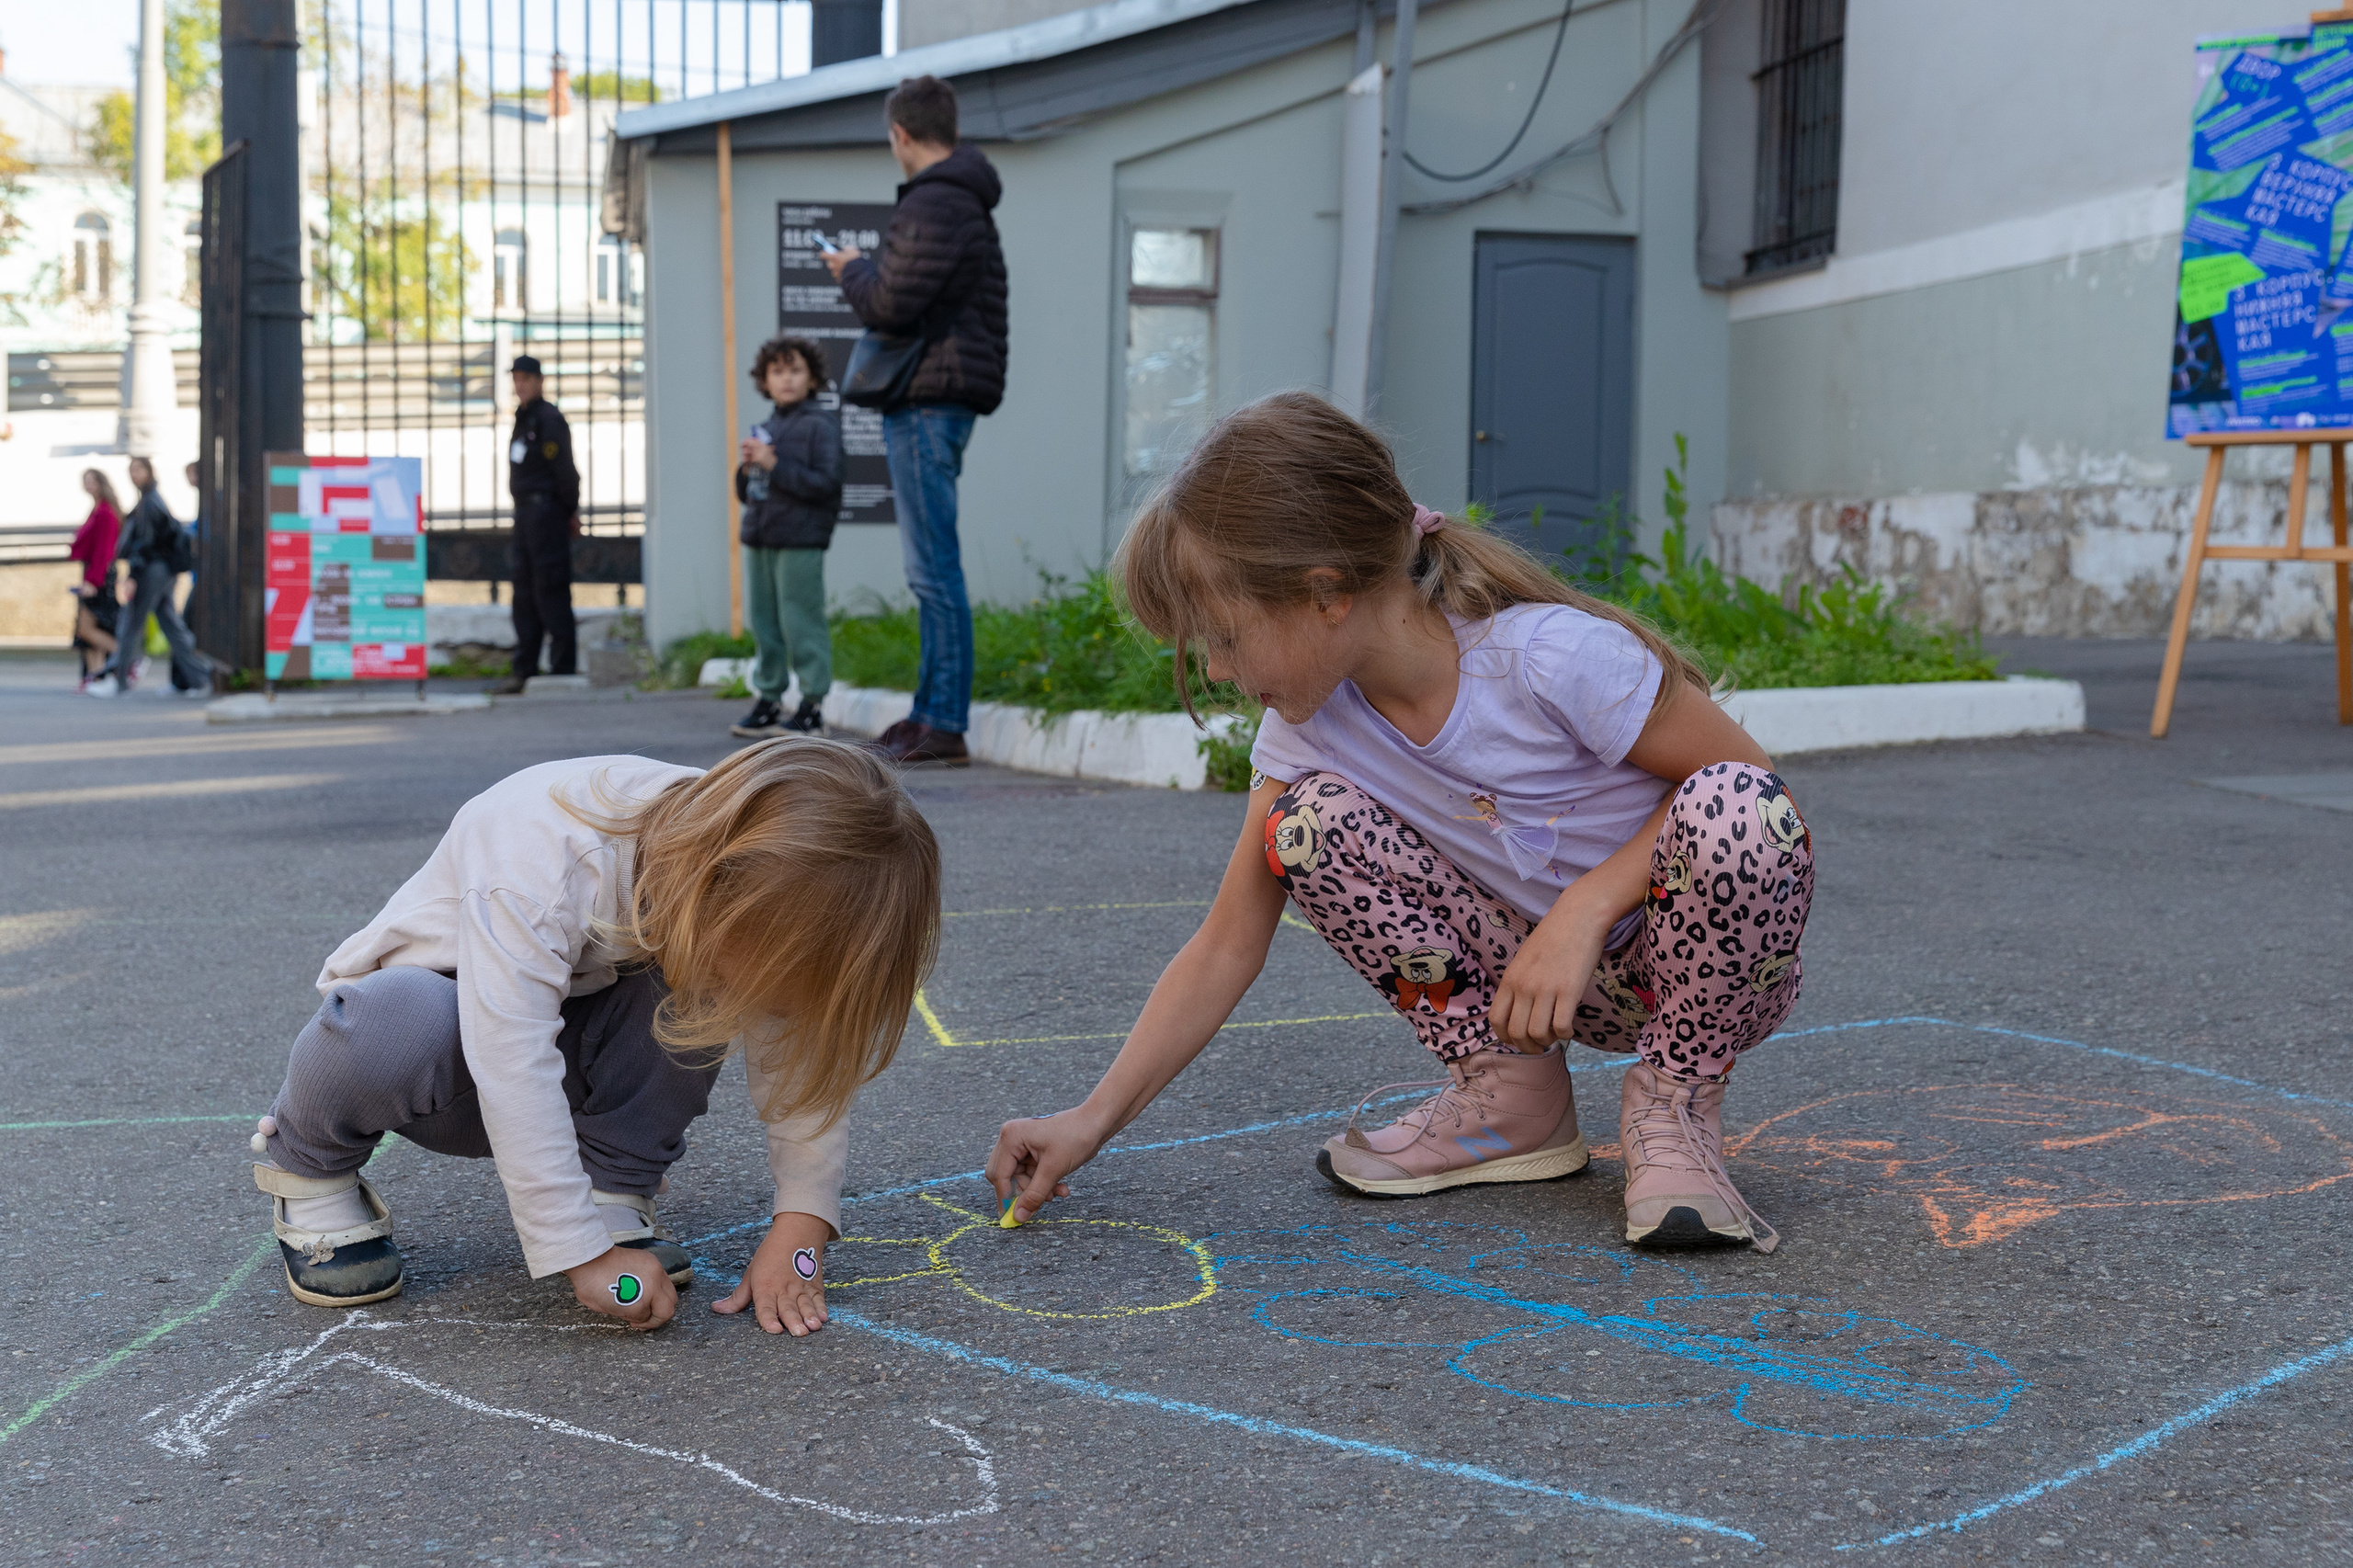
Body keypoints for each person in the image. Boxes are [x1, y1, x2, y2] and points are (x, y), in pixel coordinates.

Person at [985, 394, 1814, 1253]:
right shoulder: (1307, 732)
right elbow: (1228, 941)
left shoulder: (1549, 658)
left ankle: (1674, 1106)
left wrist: (1585, 909)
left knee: (1741, 813)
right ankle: (1513, 1097)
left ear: (1325, 593)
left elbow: (1753, 783)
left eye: (1224, 639)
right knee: (1306, 826)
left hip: (1690, 976)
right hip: (1522, 996)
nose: (1221, 671)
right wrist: (1089, 1119)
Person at [244, 737, 941, 1335]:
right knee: (402, 1017)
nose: (766, 1015)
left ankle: (613, 1187)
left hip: (562, 1042)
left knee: (698, 992)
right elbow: (509, 1056)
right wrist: (578, 1253)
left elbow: (802, 1054)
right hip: (435, 1054)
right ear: (715, 896)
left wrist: (802, 1226)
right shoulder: (544, 859)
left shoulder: (740, 864)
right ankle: (309, 1164)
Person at [824, 73, 1008, 767]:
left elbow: (890, 304)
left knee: (933, 569)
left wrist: (851, 269)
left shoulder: (935, 202)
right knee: (928, 566)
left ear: (901, 134)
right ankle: (929, 713)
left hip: (929, 398)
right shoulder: (961, 200)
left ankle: (945, 723)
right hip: (940, 395)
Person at [731, 335, 844, 739]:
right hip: (762, 536)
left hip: (801, 538)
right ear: (764, 380)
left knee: (801, 621)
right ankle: (770, 698)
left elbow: (827, 484)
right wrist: (747, 470)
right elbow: (745, 494)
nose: (787, 379)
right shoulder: (769, 425)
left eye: (795, 370)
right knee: (765, 622)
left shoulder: (820, 425)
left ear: (812, 378)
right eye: (777, 372)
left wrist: (773, 463)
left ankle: (812, 705)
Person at [492, 354, 580, 696]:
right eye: (516, 379)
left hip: (547, 513)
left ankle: (562, 666)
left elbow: (565, 472)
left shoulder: (549, 418)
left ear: (540, 381)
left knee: (551, 587)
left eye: (526, 379)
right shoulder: (522, 417)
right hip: (525, 514)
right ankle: (524, 667)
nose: (520, 385)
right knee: (524, 592)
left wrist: (568, 511)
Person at [91, 456, 210, 699]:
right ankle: (199, 679)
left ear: (149, 472)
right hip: (162, 571)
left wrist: (133, 574)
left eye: (139, 469)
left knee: (130, 625)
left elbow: (145, 545)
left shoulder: (149, 503)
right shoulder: (151, 501)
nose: (134, 475)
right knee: (172, 627)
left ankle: (119, 680)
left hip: (150, 571)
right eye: (132, 470)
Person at [66, 468, 121, 690]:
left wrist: (93, 581)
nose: (88, 485)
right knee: (88, 631)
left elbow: (104, 551)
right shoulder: (96, 510)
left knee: (86, 628)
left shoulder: (106, 513)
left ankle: (125, 656)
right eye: (85, 481)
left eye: (92, 481)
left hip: (98, 576)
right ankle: (95, 676)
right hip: (91, 573)